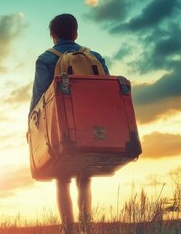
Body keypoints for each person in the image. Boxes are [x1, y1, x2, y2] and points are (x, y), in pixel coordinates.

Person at [29, 13, 110, 233]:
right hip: (93, 127)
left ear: (53, 35)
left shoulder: (46, 59)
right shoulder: (95, 56)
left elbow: (39, 99)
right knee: (85, 178)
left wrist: (30, 127)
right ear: (76, 33)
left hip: (62, 127)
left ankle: (69, 228)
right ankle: (87, 225)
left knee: (62, 178)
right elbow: (107, 91)